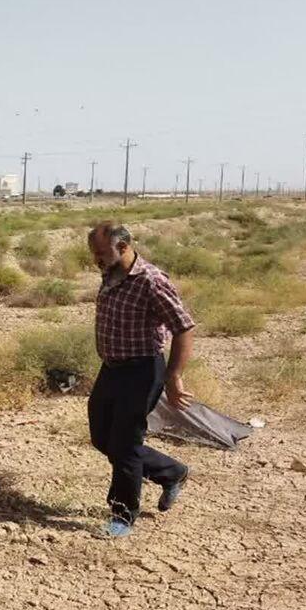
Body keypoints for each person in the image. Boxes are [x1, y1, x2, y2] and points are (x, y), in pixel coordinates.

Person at [87, 222, 195, 538]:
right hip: (112, 368)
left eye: (101, 253)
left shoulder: (152, 281)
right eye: (93, 254)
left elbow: (184, 327)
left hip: (143, 371)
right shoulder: (111, 271)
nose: (97, 260)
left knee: (125, 444)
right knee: (102, 436)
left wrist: (174, 376)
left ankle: (122, 515)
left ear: (123, 247)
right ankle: (171, 472)